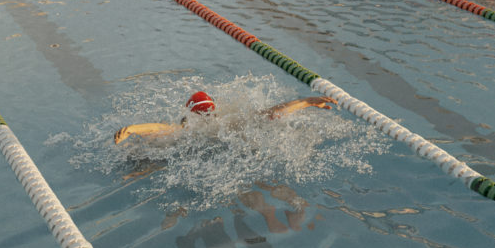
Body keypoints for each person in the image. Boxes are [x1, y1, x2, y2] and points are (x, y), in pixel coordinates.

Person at [114, 89, 333, 144]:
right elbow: (273, 113)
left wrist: (133, 129)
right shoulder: (229, 116)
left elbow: (160, 128)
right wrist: (305, 102)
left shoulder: (192, 126)